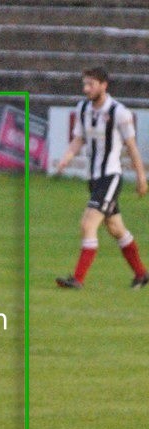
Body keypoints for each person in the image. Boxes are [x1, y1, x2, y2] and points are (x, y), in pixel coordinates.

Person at [55, 67, 148, 289]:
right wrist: (66, 158)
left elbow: (132, 148)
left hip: (111, 176)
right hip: (94, 178)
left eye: (91, 84)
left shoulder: (119, 112)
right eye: (85, 84)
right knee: (116, 228)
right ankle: (141, 274)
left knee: (88, 224)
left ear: (104, 85)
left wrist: (141, 178)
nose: (86, 89)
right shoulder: (84, 108)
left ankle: (77, 279)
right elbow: (79, 138)